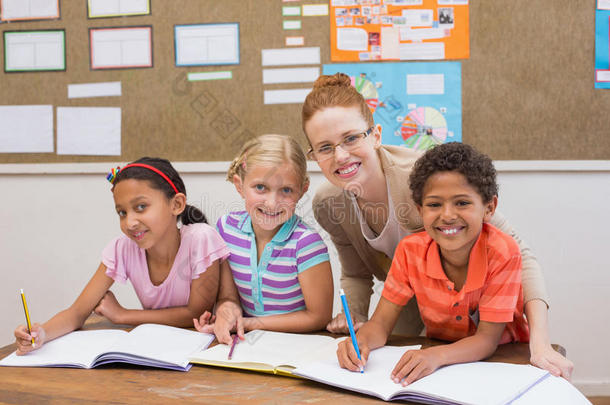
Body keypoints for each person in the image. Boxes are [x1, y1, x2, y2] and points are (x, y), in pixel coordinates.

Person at [302, 73, 573, 379]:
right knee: (394, 368)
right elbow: (356, 274)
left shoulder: (428, 183)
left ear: (375, 135)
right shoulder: (328, 203)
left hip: (477, 303)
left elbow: (520, 255)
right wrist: (354, 329)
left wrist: (540, 343)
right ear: (313, 155)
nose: (340, 155)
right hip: (409, 298)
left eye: (351, 138)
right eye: (324, 148)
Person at [337, 142, 529, 384]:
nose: (447, 215)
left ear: (489, 208)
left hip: (504, 363)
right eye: (434, 204)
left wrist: (436, 356)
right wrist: (361, 341)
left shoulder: (502, 252)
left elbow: (487, 340)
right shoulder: (410, 251)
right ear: (420, 209)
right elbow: (380, 325)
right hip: (442, 368)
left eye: (462, 203)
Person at [13, 157, 228, 355]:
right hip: (160, 352)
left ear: (176, 204)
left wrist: (122, 315)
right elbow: (77, 312)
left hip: (208, 351)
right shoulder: (122, 248)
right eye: (122, 212)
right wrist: (41, 333)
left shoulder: (201, 239)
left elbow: (195, 312)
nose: (129, 222)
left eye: (141, 207)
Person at [194, 134, 334, 344]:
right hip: (246, 344)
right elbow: (229, 296)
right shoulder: (226, 229)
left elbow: (318, 317)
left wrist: (251, 323)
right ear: (239, 185)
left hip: (296, 346)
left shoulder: (306, 243)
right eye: (260, 187)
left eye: (286, 190)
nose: (272, 203)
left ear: (302, 190)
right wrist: (226, 313)